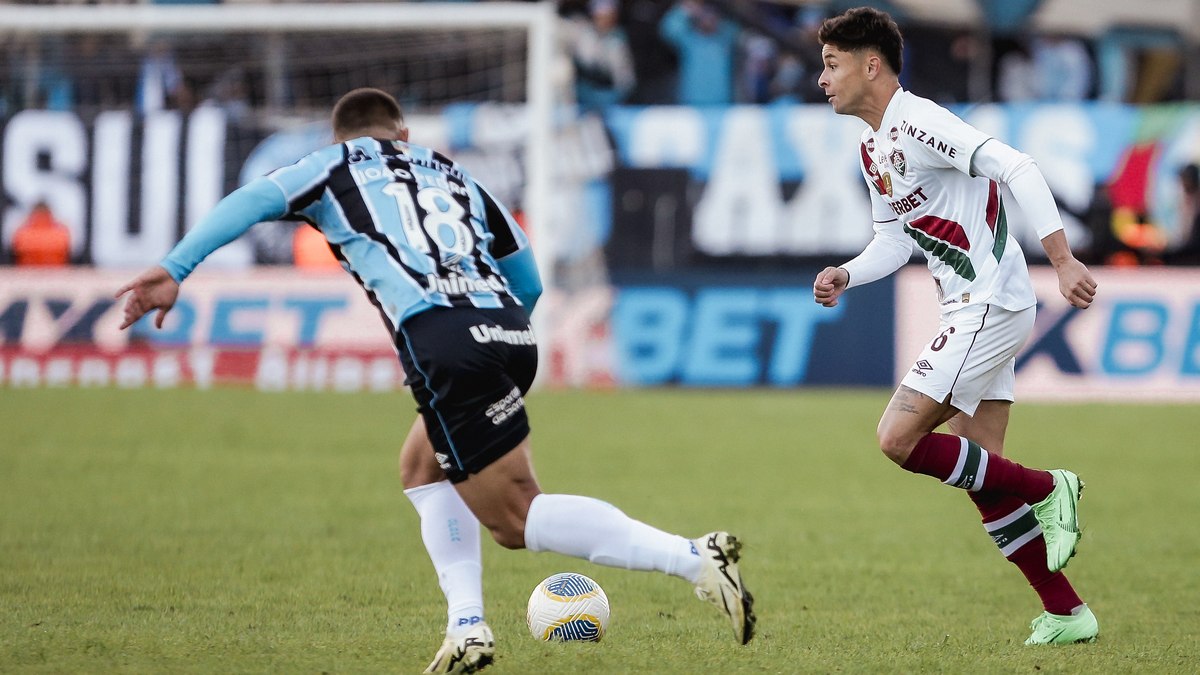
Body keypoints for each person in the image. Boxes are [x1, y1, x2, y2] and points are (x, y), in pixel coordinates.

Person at [114, 87, 755, 672]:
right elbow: (526, 276)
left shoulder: (333, 166)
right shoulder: (457, 176)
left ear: (344, 138)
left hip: (442, 337)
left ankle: (693, 557)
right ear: (404, 134)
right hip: (506, 329)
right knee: (421, 467)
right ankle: (467, 627)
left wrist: (176, 267)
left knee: (514, 518)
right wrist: (489, 341)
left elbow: (254, 198)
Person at [810, 8, 1100, 646]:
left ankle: (1053, 487)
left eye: (831, 64)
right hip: (971, 305)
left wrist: (1062, 258)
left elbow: (1017, 167)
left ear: (871, 64)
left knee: (897, 438)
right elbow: (892, 240)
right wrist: (848, 274)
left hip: (988, 301)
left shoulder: (918, 121)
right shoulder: (872, 146)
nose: (821, 78)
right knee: (982, 471)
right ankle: (1067, 613)